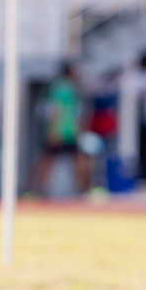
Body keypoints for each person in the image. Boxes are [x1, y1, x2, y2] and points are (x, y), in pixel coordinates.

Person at [35, 63, 89, 197]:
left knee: (49, 160)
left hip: (63, 130)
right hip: (64, 131)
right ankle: (83, 190)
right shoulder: (65, 88)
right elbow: (57, 110)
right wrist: (54, 130)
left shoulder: (60, 87)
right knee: (55, 160)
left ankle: (39, 190)